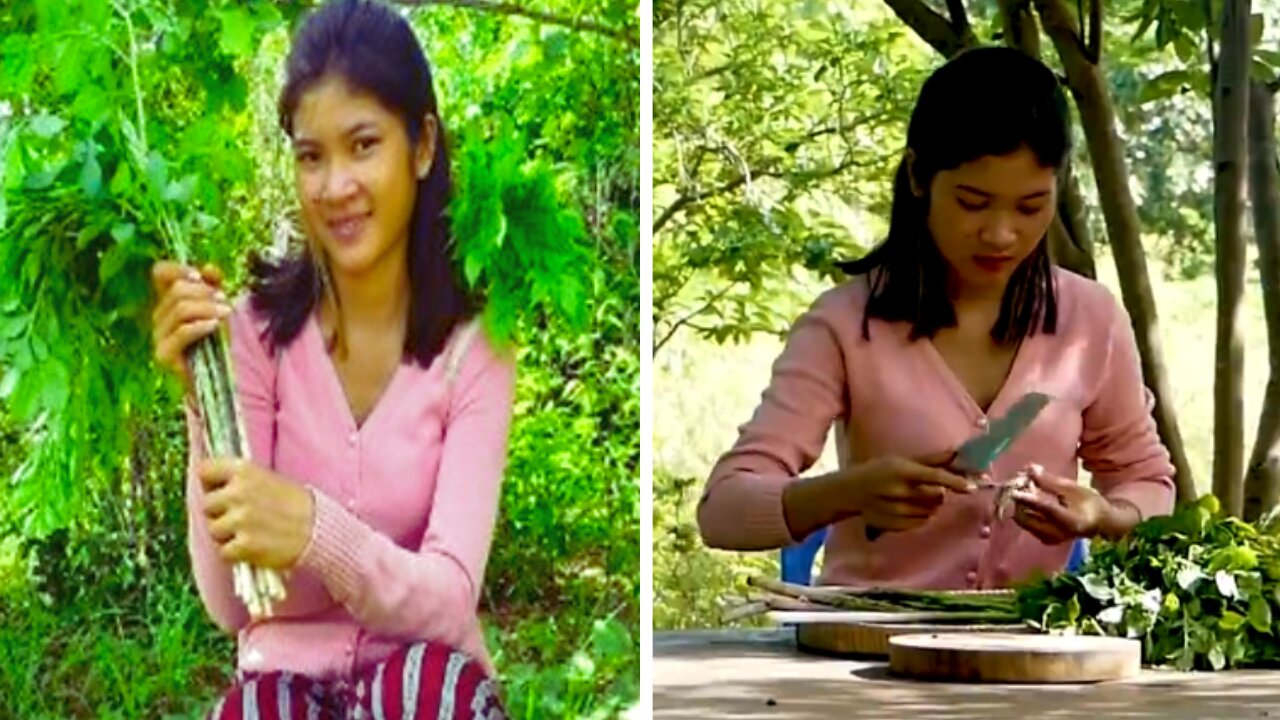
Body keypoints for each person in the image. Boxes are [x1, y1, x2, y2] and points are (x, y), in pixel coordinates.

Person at [149, 1, 513, 716]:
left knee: (426, 694)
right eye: (311, 156)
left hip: (421, 689)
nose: (334, 186)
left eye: (363, 145)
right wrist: (202, 399)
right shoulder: (255, 333)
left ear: (422, 146)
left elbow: (448, 600)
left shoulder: (477, 349)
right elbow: (231, 604)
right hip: (282, 688)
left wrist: (315, 532)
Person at [696, 46, 1175, 591]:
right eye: (973, 203)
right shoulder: (847, 324)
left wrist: (1106, 518)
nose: (1000, 234)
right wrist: (846, 493)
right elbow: (722, 511)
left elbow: (1146, 482)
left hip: (1030, 653)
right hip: (867, 655)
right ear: (920, 176)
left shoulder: (1090, 320)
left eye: (1030, 206)